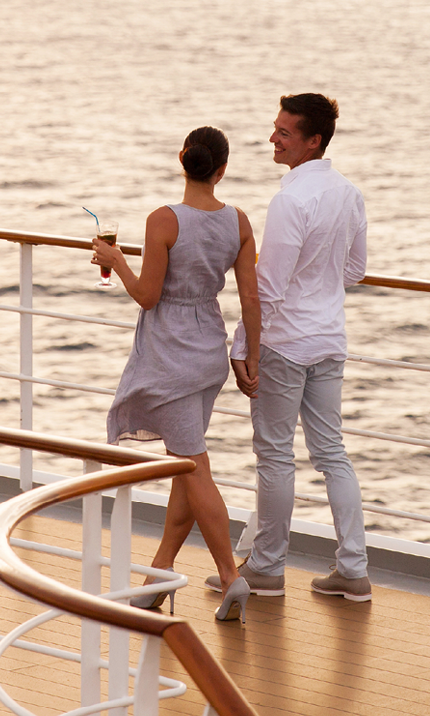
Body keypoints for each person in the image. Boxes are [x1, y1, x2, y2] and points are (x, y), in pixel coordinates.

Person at [91, 125, 262, 622]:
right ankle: (159, 573)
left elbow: (147, 296)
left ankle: (229, 576)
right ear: (221, 170)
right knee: (183, 467)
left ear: (182, 159)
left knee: (193, 468)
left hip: (171, 357)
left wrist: (116, 260)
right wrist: (251, 356)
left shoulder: (164, 220)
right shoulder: (238, 221)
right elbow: (250, 298)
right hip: (208, 350)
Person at [223, 93, 372, 602]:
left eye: (284, 133)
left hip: (284, 344)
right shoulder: (349, 193)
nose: (272, 138)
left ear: (313, 141)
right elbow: (355, 270)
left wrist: (243, 346)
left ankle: (267, 567)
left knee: (274, 455)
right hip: (328, 339)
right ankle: (353, 569)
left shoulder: (290, 201)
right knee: (332, 454)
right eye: (275, 128)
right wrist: (319, 287)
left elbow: (267, 288)